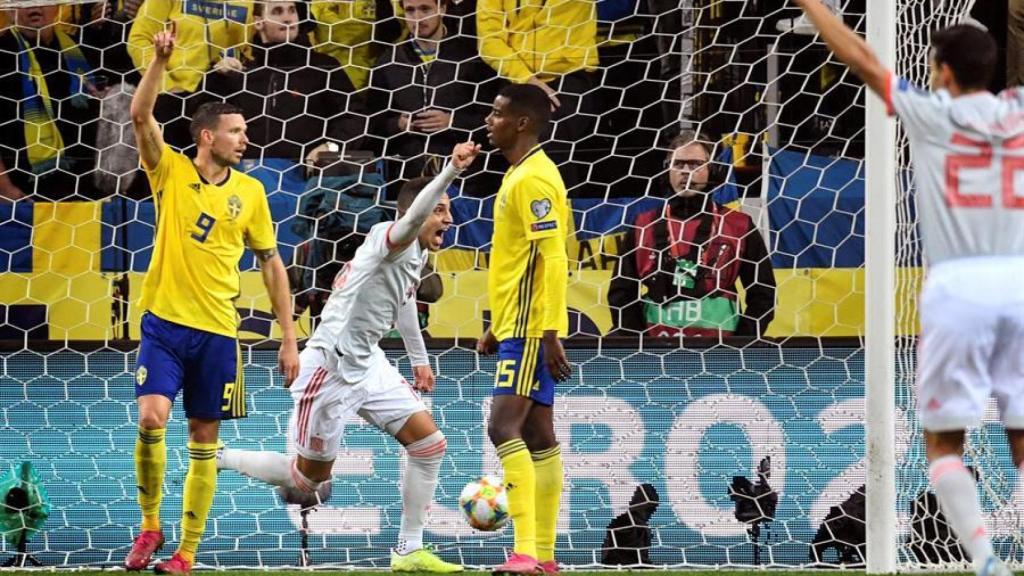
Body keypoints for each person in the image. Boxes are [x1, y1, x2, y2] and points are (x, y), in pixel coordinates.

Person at [793, 2, 1024, 576]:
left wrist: (811, 4)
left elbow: (862, 59)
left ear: (942, 70)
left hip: (958, 287)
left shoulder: (930, 113)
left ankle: (985, 560)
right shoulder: (1019, 111)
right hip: (1018, 282)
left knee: (944, 443)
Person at [216, 142, 479, 573]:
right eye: (440, 210)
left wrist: (419, 359)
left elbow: (403, 300)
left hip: (367, 362)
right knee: (307, 482)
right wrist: (450, 170)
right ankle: (219, 457)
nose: (448, 219)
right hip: (331, 367)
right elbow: (413, 218)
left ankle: (409, 551)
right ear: (416, 213)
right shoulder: (391, 238)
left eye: (448, 211)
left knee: (429, 445)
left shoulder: (414, 254)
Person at [123, 24, 300, 575]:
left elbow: (271, 262)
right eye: (236, 131)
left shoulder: (251, 192)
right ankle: (150, 526)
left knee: (204, 440)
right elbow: (140, 115)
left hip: (220, 333)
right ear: (207, 137)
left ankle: (187, 552)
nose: (245, 139)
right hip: (164, 324)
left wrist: (289, 337)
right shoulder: (170, 172)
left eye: (244, 131)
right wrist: (160, 61)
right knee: (152, 419)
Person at [476, 83, 571, 575]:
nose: (488, 121)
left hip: (532, 330)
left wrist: (549, 331)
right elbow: (520, 261)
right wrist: (497, 322)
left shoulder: (534, 179)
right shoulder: (520, 173)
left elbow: (553, 258)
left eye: (496, 113)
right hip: (518, 324)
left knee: (502, 427)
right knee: (538, 435)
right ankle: (544, 556)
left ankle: (526, 552)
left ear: (522, 123)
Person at [608, 131, 776, 338]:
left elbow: (763, 294)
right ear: (667, 170)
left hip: (722, 351)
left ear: (712, 170)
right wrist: (640, 345)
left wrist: (740, 344)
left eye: (695, 164)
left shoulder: (738, 225)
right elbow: (621, 294)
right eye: (678, 164)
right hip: (655, 350)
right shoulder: (643, 225)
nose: (686, 172)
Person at [199, 0, 364, 164]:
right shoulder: (242, 72)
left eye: (292, 10)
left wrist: (331, 146)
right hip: (245, 174)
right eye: (277, 12)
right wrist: (215, 77)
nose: (287, 18)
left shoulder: (322, 67)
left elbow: (355, 116)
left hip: (303, 174)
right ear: (258, 22)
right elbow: (200, 121)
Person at [367, 0, 493, 190]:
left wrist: (452, 122)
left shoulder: (472, 59)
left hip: (465, 180)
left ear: (442, 8)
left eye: (425, 9)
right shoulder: (387, 63)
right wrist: (398, 125)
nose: (417, 18)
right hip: (406, 179)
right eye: (410, 10)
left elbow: (492, 121)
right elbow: (371, 124)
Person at [0, 5, 105, 201]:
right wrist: (4, 187)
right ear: (9, 8)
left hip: (83, 185)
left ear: (57, 6)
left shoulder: (80, 50)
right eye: (24, 0)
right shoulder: (4, 52)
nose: (34, 6)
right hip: (24, 190)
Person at [127, 0, 253, 149]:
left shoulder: (248, 3)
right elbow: (139, 40)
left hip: (224, 98)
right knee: (173, 161)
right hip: (175, 100)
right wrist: (165, 85)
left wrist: (238, 63)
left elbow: (248, 48)